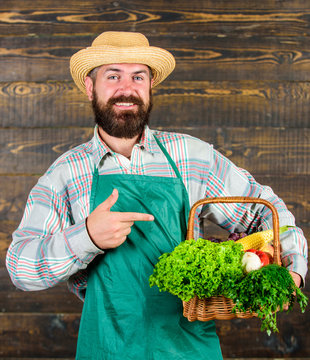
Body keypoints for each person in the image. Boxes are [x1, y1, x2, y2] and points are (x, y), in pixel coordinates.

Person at [6, 31, 308, 359]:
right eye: (113, 75)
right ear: (91, 87)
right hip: (107, 349)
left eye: (138, 76)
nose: (127, 88)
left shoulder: (192, 157)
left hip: (190, 348)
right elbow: (21, 267)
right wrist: (87, 236)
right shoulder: (67, 173)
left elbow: (266, 210)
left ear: (150, 86)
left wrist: (293, 269)